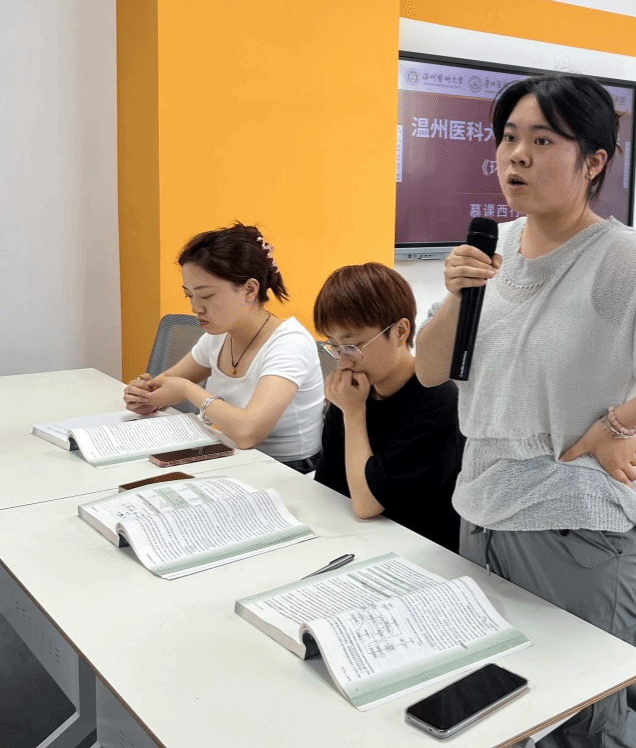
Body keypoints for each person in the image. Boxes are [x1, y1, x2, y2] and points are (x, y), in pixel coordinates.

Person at [415, 73, 636, 748]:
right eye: (509, 137)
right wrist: (455, 295)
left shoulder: (620, 258)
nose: (517, 155)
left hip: (569, 525)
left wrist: (619, 421)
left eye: (543, 141)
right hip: (481, 507)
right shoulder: (495, 246)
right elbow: (429, 370)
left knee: (579, 722)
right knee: (501, 704)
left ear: (593, 161)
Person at [123, 222, 324, 472]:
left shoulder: (290, 343)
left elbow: (247, 433)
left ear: (250, 290)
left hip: (288, 471)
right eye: (189, 295)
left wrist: (186, 389)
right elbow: (162, 387)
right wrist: (143, 396)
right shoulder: (218, 336)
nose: (196, 308)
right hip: (231, 457)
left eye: (206, 296)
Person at [312, 262, 463, 550]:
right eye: (334, 346)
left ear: (400, 332)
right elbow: (328, 486)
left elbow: (367, 504)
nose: (342, 362)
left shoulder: (437, 399)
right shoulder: (354, 392)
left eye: (352, 346)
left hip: (423, 552)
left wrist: (353, 413)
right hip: (361, 540)